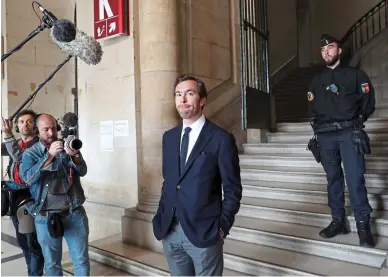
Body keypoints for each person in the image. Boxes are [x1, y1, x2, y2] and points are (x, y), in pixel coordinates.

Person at [152, 74, 243, 276]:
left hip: (205, 233)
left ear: (202, 100)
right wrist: (160, 215)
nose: (182, 100)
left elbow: (232, 189)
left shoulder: (221, 139)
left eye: (189, 93)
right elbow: (169, 182)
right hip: (170, 230)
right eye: (178, 94)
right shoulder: (169, 138)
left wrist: (221, 228)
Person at [307, 34, 375, 248]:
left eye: (331, 47)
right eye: (323, 49)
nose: (326, 51)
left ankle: (363, 226)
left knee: (355, 180)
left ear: (339, 50)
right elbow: (312, 110)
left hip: (349, 134)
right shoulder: (316, 82)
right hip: (326, 137)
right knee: (333, 180)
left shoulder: (356, 75)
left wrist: (356, 121)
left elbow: (368, 102)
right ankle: (338, 221)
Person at [20, 113, 90, 276]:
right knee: (52, 265)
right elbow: (29, 178)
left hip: (74, 212)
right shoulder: (30, 154)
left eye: (53, 128)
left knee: (81, 261)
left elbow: (83, 171)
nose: (51, 133)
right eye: (46, 129)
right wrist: (49, 155)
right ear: (37, 131)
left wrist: (76, 155)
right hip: (45, 217)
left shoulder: (66, 146)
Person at [1, 110, 45, 276]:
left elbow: (21, 158)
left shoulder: (39, 145)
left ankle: (35, 274)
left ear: (35, 126)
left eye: (29, 121)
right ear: (17, 125)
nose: (24, 124)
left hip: (31, 198)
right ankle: (31, 272)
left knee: (32, 243)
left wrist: (7, 134)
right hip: (15, 198)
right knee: (22, 242)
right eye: (21, 121)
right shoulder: (16, 143)